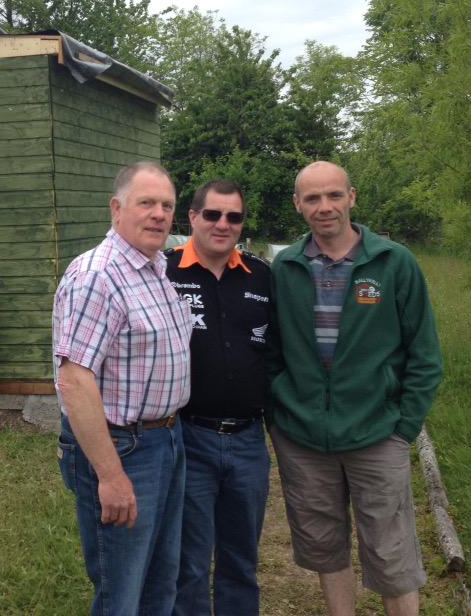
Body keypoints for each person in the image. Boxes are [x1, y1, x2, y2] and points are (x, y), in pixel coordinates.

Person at [268, 161, 443, 616]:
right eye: (312, 198)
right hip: (304, 438)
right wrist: (281, 413)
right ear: (298, 205)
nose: (324, 207)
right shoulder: (285, 267)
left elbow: (424, 355)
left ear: (352, 197)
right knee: (324, 544)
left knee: (391, 551)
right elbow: (270, 350)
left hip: (377, 433)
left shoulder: (392, 262)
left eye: (333, 195)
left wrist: (403, 427)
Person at [53, 161, 193, 616]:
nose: (158, 214)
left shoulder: (155, 266)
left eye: (166, 205)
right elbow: (75, 380)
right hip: (124, 448)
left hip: (167, 440)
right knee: (122, 590)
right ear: (117, 209)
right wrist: (111, 477)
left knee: (160, 576)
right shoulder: (98, 275)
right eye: (146, 203)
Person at [166, 179, 273, 616]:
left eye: (233, 216)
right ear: (192, 217)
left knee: (241, 560)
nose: (222, 224)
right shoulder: (163, 270)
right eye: (212, 214)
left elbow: (277, 352)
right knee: (188, 564)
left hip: (249, 441)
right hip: (189, 437)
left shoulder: (261, 275)